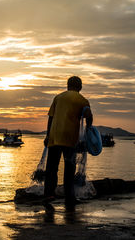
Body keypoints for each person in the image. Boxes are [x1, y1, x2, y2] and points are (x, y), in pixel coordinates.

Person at [43, 76, 93, 206]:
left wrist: (48, 136)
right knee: (69, 168)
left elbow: (51, 118)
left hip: (54, 136)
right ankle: (69, 197)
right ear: (80, 87)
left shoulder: (58, 97)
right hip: (70, 138)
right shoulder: (82, 100)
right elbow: (89, 115)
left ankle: (48, 194)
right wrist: (89, 128)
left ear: (67, 85)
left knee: (51, 168)